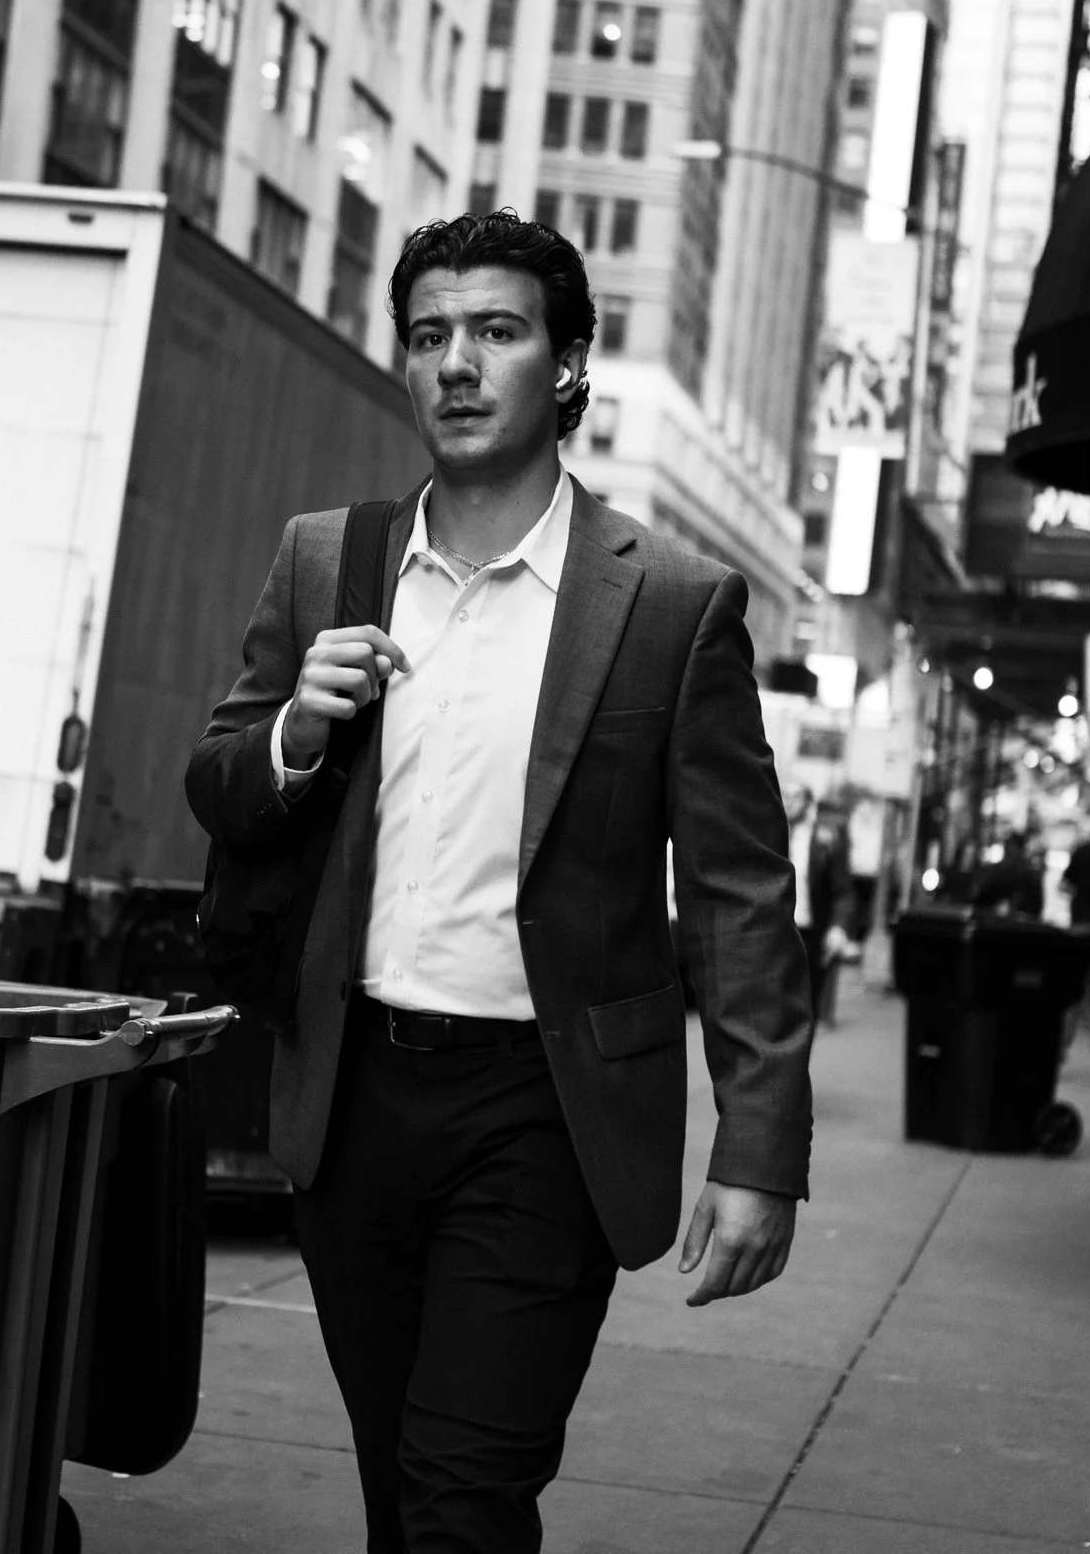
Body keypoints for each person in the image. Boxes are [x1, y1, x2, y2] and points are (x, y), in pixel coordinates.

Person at [187, 210, 813, 1554]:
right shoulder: (327, 561)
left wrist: (760, 1149)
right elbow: (220, 784)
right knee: (401, 1490)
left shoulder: (666, 604)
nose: (456, 364)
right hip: (353, 1100)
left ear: (567, 363)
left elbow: (738, 895)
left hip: (545, 1113)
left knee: (465, 1492)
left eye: (496, 332)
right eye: (429, 336)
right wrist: (297, 728)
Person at [787, 786, 852, 1027]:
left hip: (809, 934)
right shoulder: (767, 832)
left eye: (794, 796)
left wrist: (838, 927)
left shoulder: (826, 838)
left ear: (807, 802)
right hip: (774, 933)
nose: (788, 803)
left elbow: (843, 890)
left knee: (805, 1008)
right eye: (783, 795)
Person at [971, 831, 1046, 917]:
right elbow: (1037, 910)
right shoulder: (1032, 876)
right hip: (1020, 927)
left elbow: (977, 901)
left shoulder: (993, 871)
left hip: (991, 924)